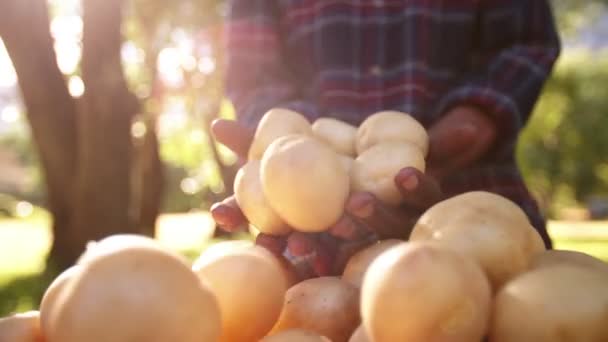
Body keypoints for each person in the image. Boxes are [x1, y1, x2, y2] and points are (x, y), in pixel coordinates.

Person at [210, 0, 561, 278]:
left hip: (477, 209)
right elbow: (253, 72)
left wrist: (476, 117)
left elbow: (526, 40)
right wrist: (285, 160)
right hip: (313, 249)